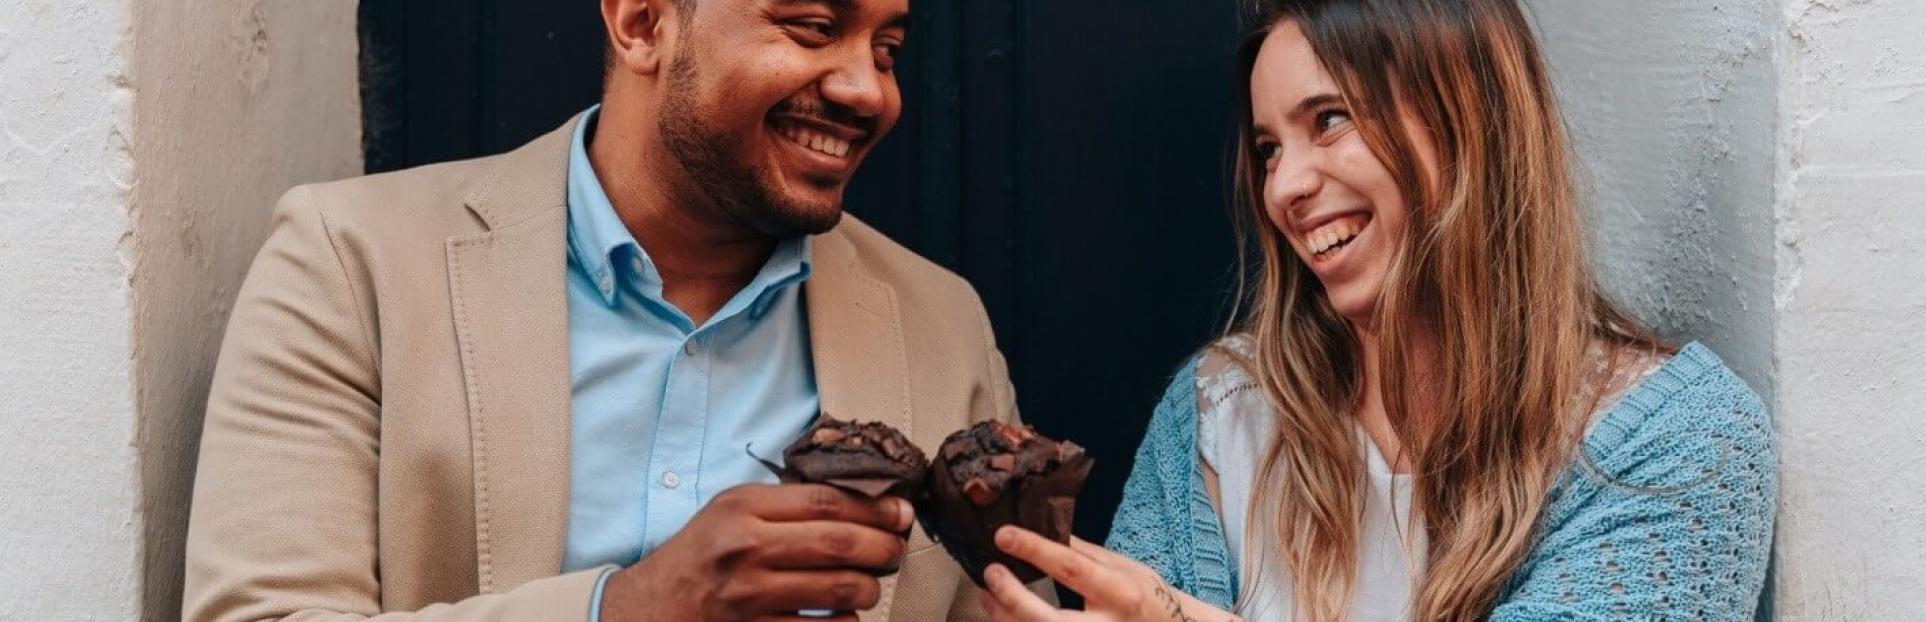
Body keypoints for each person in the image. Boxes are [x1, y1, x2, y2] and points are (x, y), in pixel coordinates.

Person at [181, 0, 1050, 619]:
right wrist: (629, 608)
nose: (868, 90)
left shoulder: (941, 320)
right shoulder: (352, 262)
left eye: (887, 48)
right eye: (814, 28)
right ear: (641, 22)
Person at [974, 0, 1775, 620]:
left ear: (1469, 122)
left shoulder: (1675, 445)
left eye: (1330, 120)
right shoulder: (1219, 415)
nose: (1284, 188)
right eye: (1268, 149)